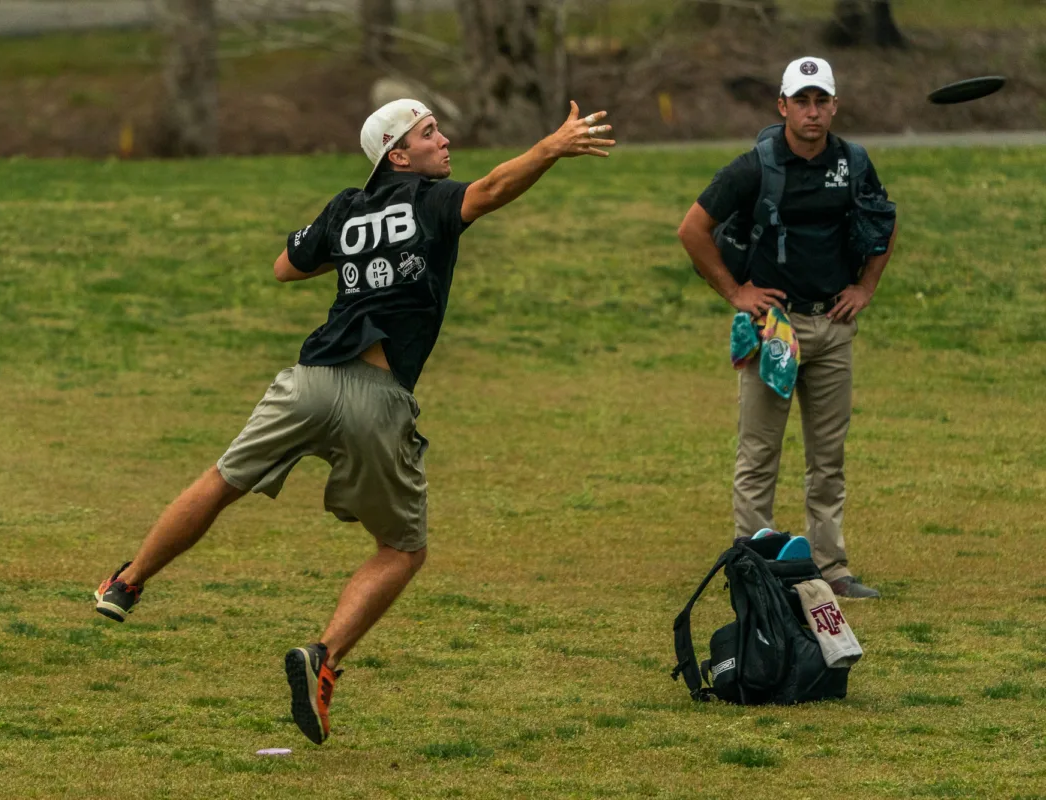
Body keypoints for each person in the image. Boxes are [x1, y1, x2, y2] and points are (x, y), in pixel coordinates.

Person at [93, 98, 615, 744]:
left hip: (308, 382)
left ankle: (126, 582)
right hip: (377, 397)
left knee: (223, 481)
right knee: (403, 550)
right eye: (429, 134)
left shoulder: (347, 207)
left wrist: (354, 254)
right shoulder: (429, 202)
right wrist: (553, 145)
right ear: (399, 155)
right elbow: (493, 189)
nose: (444, 140)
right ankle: (322, 658)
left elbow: (286, 267)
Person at [677, 57, 897, 599]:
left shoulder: (853, 162)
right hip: (773, 328)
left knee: (829, 459)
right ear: (782, 106)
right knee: (759, 455)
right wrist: (737, 293)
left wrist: (865, 288)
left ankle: (832, 568)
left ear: (834, 106)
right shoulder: (754, 166)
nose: (812, 112)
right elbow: (692, 229)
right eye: (802, 101)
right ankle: (751, 564)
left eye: (822, 100)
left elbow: (883, 224)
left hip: (832, 325)